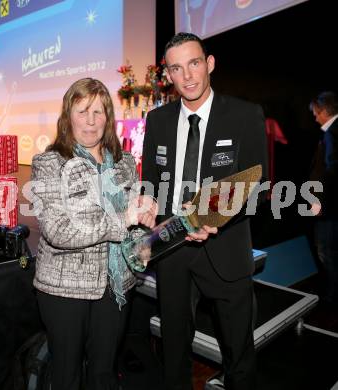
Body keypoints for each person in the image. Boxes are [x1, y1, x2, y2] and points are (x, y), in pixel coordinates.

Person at [142, 32, 268, 390]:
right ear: (168, 75)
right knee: (174, 351)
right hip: (173, 253)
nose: (188, 76)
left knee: (238, 354)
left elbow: (257, 185)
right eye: (177, 68)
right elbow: (151, 182)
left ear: (209, 63)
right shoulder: (158, 120)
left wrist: (214, 219)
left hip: (226, 249)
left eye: (194, 63)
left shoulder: (244, 115)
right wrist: (147, 204)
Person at [30, 78, 157, 390]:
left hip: (115, 287)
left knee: (104, 374)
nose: (90, 121)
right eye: (82, 111)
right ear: (68, 115)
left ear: (108, 118)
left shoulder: (126, 163)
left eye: (98, 112)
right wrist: (124, 218)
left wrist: (144, 226)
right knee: (66, 376)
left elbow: (133, 226)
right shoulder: (49, 163)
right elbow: (59, 230)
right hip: (64, 291)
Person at [309, 91, 338, 311]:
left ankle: (330, 298)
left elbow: (330, 172)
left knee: (325, 250)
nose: (314, 117)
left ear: (325, 111)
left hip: (329, 207)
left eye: (316, 113)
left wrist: (319, 203)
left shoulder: (331, 134)